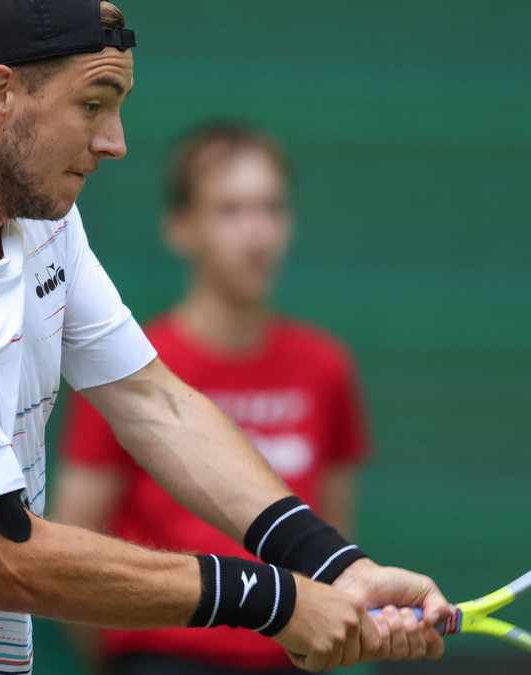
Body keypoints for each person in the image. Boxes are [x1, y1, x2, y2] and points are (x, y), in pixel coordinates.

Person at [0, 2, 449, 674]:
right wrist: (275, 600)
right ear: (0, 94)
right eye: (93, 104)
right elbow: (11, 558)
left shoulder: (41, 217)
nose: (115, 143)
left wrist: (333, 565)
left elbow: (152, 402)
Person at [53, 124, 372, 675]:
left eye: (272, 208)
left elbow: (333, 534)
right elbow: (72, 539)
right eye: (230, 210)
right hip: (163, 657)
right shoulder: (130, 370)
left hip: (286, 657)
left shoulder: (325, 367)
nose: (257, 232)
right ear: (181, 227)